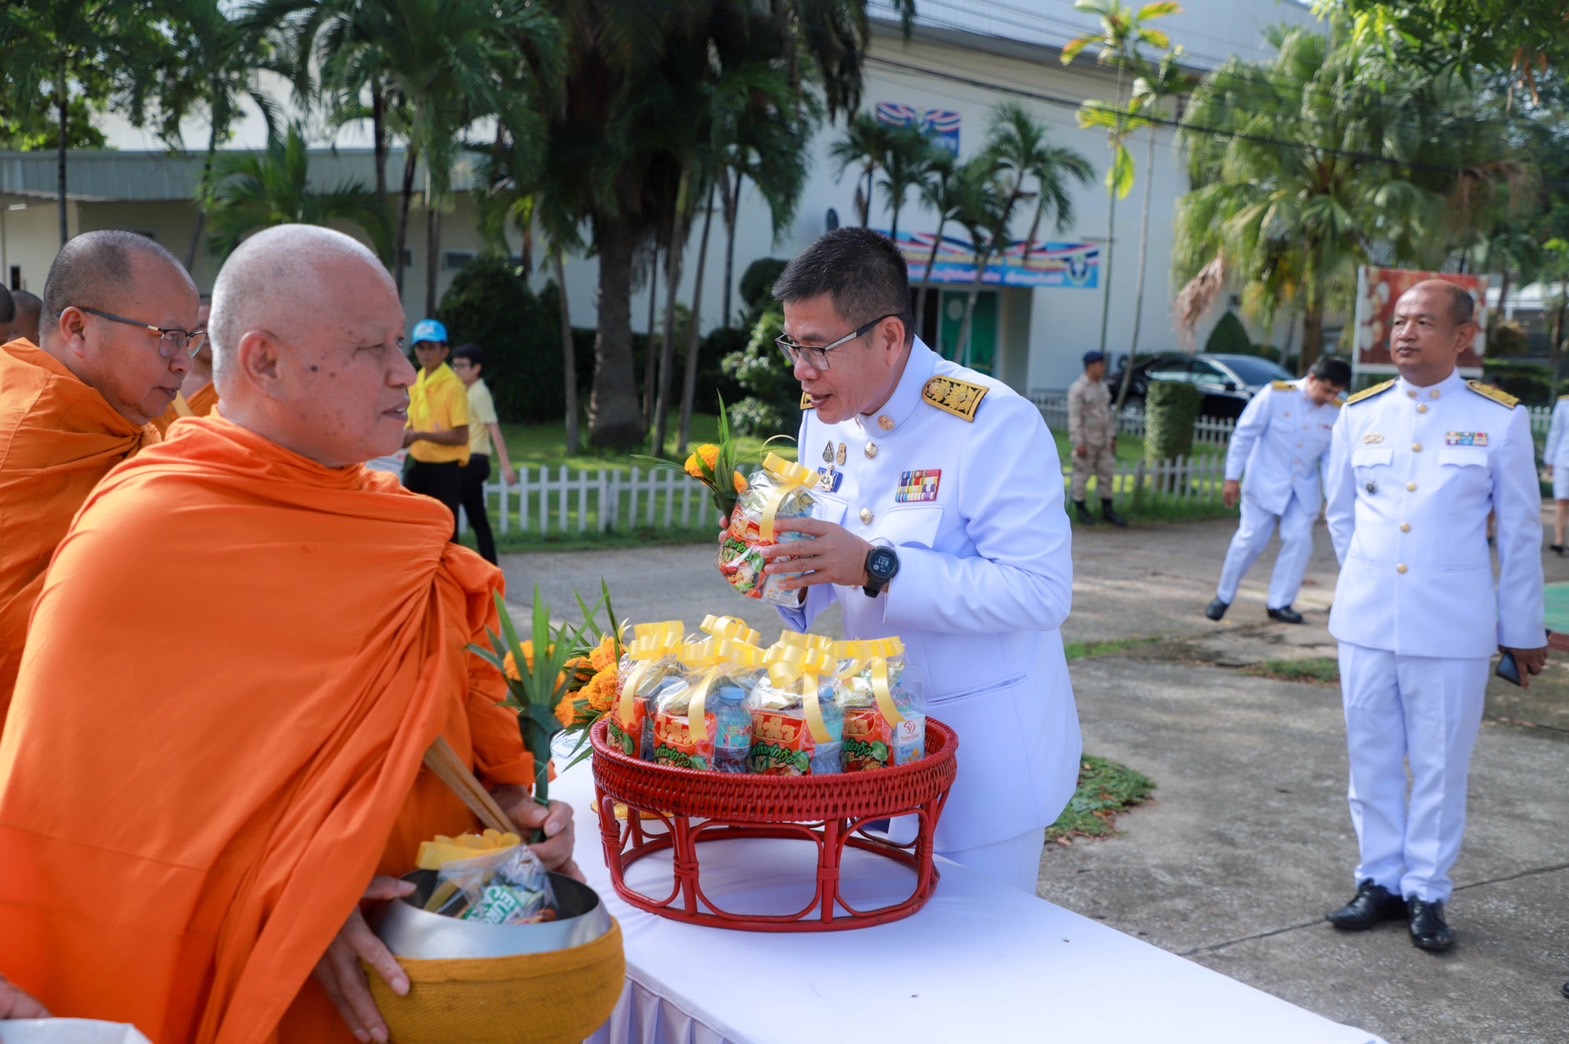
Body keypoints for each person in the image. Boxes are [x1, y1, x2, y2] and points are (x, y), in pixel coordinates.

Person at [0, 224, 576, 1042]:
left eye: (400, 344)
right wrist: (296, 897)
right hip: (267, 980)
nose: (401, 374)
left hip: (434, 960)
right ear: (263, 360)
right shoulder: (142, 534)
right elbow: (102, 823)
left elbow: (445, 714)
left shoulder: (397, 527)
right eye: (371, 348)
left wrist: (515, 807)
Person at [751, 227, 1082, 893]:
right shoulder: (825, 419)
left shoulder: (991, 423)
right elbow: (824, 571)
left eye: (817, 349)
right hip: (875, 757)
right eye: (793, 345)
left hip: (982, 771)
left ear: (890, 338)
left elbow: (1039, 592)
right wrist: (776, 563)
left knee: (980, 968)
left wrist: (878, 566)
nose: (799, 369)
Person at [1323, 279, 1546, 952]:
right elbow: (1339, 514)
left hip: (1450, 627)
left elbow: (1518, 535)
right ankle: (1378, 881)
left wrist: (1521, 631)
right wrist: (1368, 577)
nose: (1404, 333)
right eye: (1398, 321)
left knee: (1441, 766)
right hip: (1364, 621)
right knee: (1371, 760)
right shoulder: (1358, 412)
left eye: (1423, 322)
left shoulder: (1498, 418)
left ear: (1461, 337)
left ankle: (1426, 890)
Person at [0, 230, 198, 718]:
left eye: (190, 341)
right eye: (167, 338)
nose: (182, 363)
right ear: (78, 329)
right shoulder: (18, 437)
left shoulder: (151, 416)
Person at [1205, 355, 1351, 624]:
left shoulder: (1338, 411)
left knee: (1299, 540)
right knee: (1249, 540)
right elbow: (1244, 434)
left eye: (1336, 393)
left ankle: (1280, 603)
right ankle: (1224, 596)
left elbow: (1332, 459)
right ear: (1311, 379)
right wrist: (1231, 477)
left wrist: (1333, 496)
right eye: (1326, 390)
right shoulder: (1275, 395)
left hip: (1303, 489)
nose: (1329, 398)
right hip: (1264, 481)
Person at [450, 343, 519, 565]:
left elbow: (494, 429)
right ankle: (490, 565)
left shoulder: (479, 393)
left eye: (463, 365)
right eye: (455, 365)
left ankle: (454, 564)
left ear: (477, 368)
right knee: (477, 516)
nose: (457, 370)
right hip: (467, 460)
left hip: (474, 460)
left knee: (451, 510)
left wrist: (506, 466)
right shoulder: (465, 391)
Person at [402, 317, 469, 537]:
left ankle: (448, 571)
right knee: (415, 528)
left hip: (445, 469)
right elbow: (411, 422)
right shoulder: (416, 381)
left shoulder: (453, 386)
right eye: (420, 347)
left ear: (445, 351)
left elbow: (461, 436)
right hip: (418, 464)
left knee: (446, 531)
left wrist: (419, 435)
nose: (425, 353)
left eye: (431, 347)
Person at [1067, 349, 1126, 527]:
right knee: (1082, 475)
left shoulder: (1102, 387)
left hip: (1104, 440)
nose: (1103, 368)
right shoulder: (1078, 389)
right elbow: (1074, 418)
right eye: (1100, 364)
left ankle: (1107, 508)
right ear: (1090, 366)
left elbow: (1107, 414)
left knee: (1107, 474)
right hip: (1087, 440)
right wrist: (1079, 442)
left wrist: (1112, 437)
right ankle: (1080, 507)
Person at [151, 293, 218, 435]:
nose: (208, 333)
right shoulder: (165, 379)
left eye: (214, 325)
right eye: (201, 326)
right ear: (189, 331)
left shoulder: (234, 384)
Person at [1543, 390, 1569, 555]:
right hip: (1565, 458)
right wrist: (1550, 459)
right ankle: (1559, 540)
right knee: (1561, 500)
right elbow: (1556, 432)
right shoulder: (1564, 403)